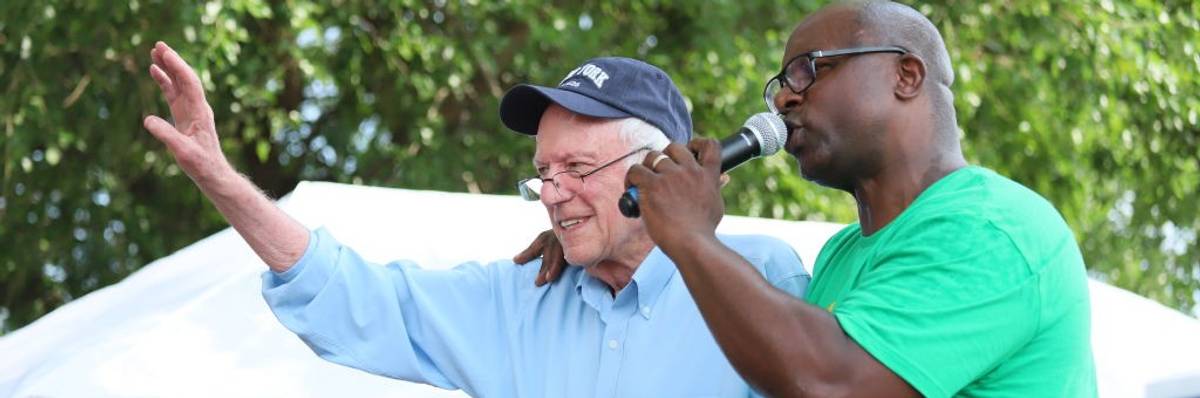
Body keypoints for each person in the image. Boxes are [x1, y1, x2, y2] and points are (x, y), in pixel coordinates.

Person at [142, 42, 810, 397]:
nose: (552, 195)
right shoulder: (516, 301)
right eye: (544, 174)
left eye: (578, 170)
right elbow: (351, 295)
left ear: (660, 167)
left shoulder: (766, 275)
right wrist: (221, 181)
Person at [520, 1, 1097, 397]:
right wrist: (609, 241)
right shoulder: (844, 254)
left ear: (906, 75)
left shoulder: (991, 229)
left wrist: (690, 236)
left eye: (807, 71)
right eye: (781, 84)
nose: (784, 101)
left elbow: (827, 383)